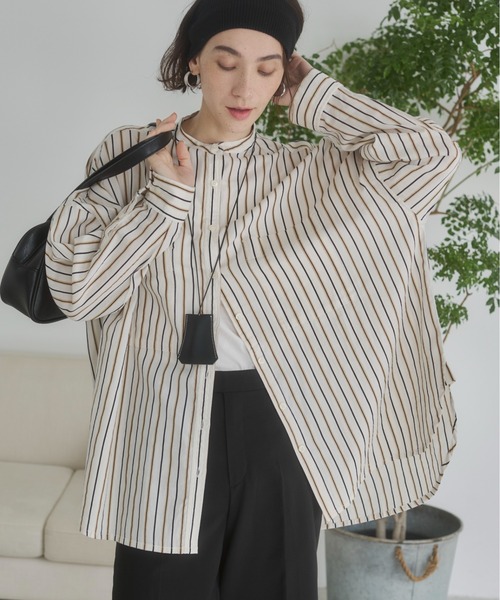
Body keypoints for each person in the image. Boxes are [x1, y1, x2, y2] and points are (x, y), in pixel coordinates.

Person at [46, 0, 461, 598]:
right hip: (160, 413)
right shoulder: (134, 154)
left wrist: (315, 96)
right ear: (194, 60)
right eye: (226, 62)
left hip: (280, 417)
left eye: (267, 68)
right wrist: (164, 200)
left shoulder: (309, 172)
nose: (245, 88)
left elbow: (431, 157)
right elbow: (77, 290)